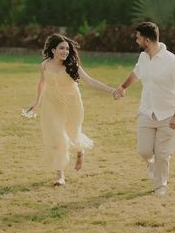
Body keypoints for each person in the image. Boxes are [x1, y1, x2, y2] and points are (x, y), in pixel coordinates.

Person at [113, 21, 175, 196]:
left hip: (169, 115)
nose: (136, 40)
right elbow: (137, 73)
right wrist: (123, 87)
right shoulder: (143, 57)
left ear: (147, 40)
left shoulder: (173, 62)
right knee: (144, 150)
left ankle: (160, 185)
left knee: (162, 153)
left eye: (138, 37)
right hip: (147, 112)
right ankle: (151, 163)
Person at [28, 33, 115, 186]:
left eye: (67, 49)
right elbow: (42, 83)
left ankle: (80, 151)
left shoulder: (72, 66)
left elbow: (90, 81)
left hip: (72, 104)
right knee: (57, 137)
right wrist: (37, 101)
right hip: (51, 104)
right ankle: (60, 176)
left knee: (73, 134)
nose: (65, 51)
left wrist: (112, 90)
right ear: (53, 50)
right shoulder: (45, 65)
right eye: (61, 48)